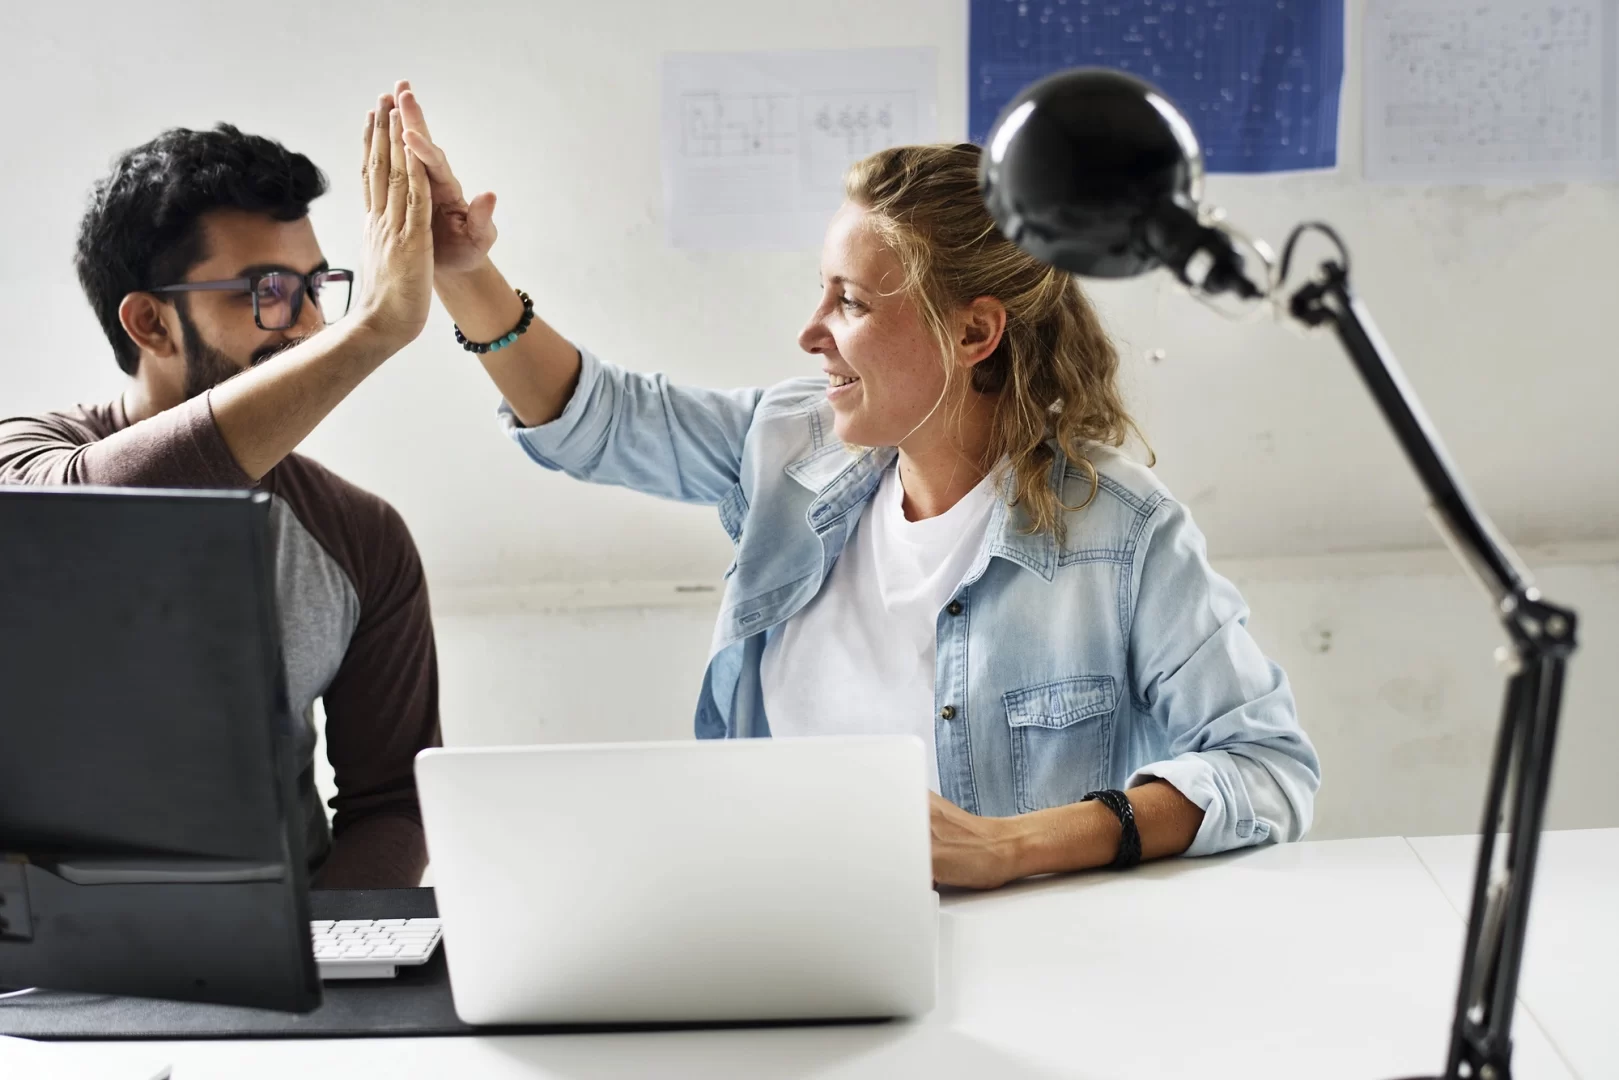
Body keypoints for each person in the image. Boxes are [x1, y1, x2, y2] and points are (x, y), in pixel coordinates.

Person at [395, 82, 1320, 889]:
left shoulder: (1123, 534)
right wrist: (466, 274)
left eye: (848, 302)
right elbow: (594, 418)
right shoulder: (786, 451)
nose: (809, 333)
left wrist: (1012, 846)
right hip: (787, 931)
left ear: (973, 334)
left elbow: (1264, 767)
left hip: (1036, 961)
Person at [0, 98, 440, 888]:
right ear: (151, 324)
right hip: (37, 976)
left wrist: (318, 953)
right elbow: (80, 520)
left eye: (317, 287)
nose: (308, 325)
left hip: (278, 972)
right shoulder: (26, 459)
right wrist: (370, 331)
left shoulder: (361, 537)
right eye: (265, 289)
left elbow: (393, 803)